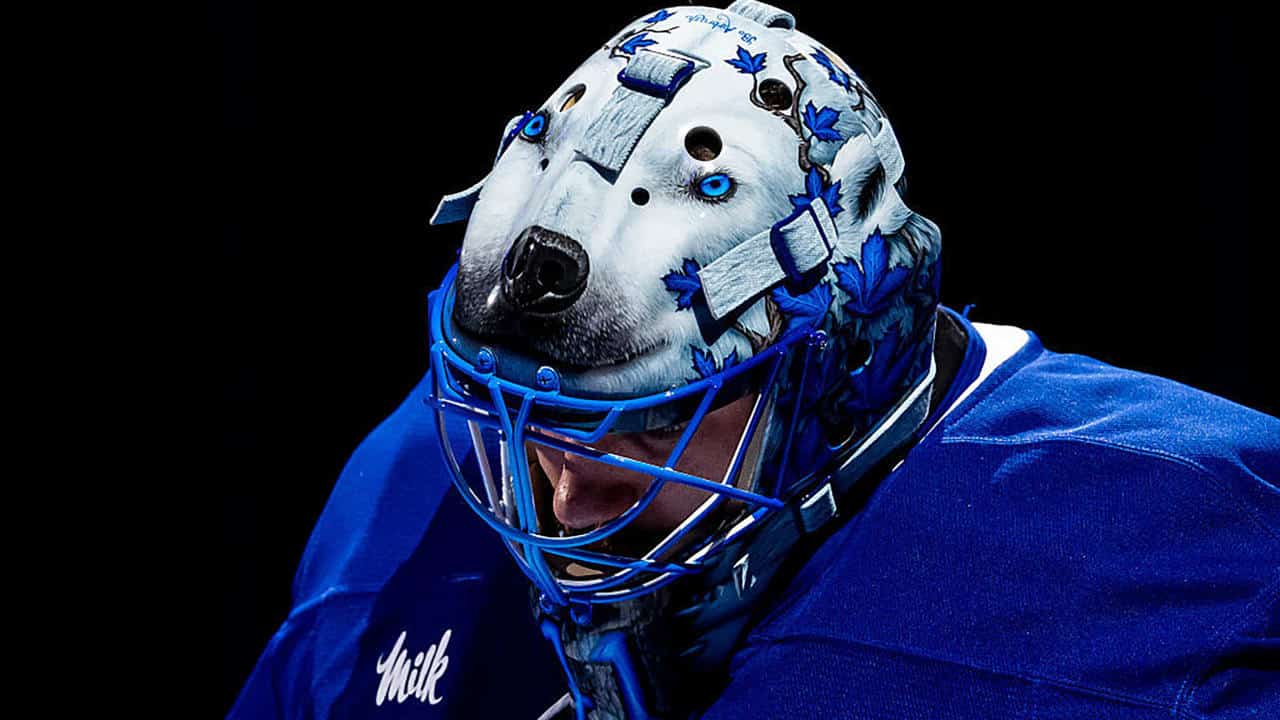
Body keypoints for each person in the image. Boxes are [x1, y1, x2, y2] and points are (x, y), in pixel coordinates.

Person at [229, 2, 1279, 718]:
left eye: (644, 424)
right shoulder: (404, 513)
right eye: (515, 418)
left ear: (837, 369)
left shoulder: (1181, 544)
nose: (559, 504)